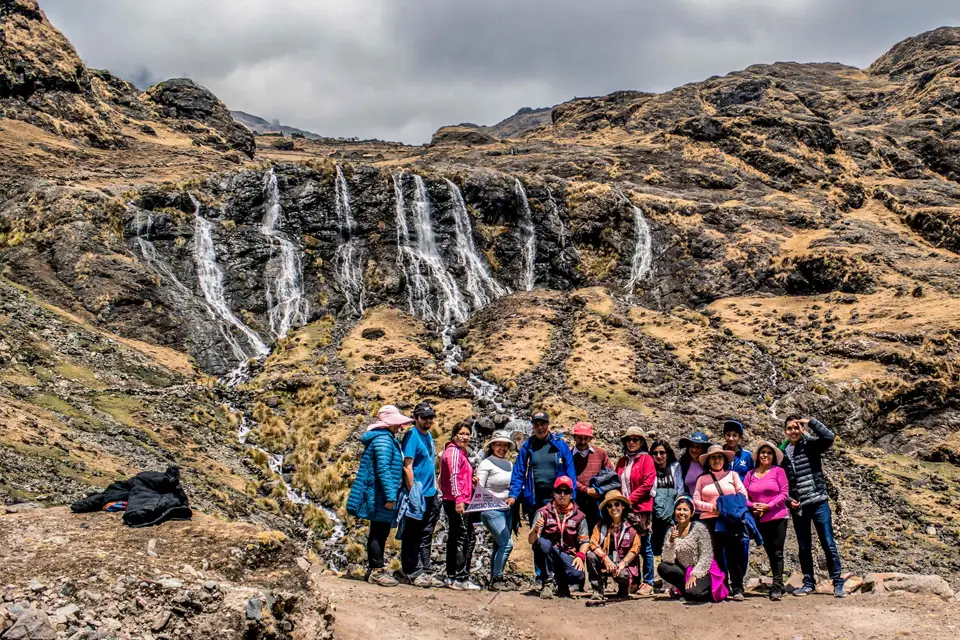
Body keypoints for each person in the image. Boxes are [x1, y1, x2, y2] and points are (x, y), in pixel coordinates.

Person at [346, 405, 412, 587]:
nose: (400, 426)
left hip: (380, 493)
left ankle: (375, 568)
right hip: (381, 495)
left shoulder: (385, 439)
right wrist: (391, 496)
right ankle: (376, 570)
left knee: (380, 530)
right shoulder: (383, 441)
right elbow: (383, 470)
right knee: (379, 531)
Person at [781, 415, 845, 598]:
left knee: (828, 542)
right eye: (789, 428)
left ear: (801, 429)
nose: (793, 431)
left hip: (818, 502)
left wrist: (811, 422)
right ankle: (809, 582)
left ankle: (837, 582)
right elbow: (782, 482)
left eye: (796, 427)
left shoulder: (810, 445)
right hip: (799, 506)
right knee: (803, 546)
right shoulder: (783, 453)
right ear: (785, 431)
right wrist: (788, 500)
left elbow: (829, 437)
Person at [693, 444, 748, 600]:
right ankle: (721, 587)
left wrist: (726, 508)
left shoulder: (733, 475)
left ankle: (737, 587)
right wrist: (712, 508)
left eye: (719, 457)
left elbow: (743, 495)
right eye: (713, 457)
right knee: (715, 555)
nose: (716, 460)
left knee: (733, 553)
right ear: (708, 461)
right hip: (709, 520)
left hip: (729, 519)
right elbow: (696, 501)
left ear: (724, 460)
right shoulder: (702, 479)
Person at [399, 401, 444, 587]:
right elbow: (407, 465)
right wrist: (412, 492)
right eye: (425, 417)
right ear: (416, 418)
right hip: (417, 493)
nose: (429, 421)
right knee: (411, 533)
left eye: (431, 417)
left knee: (424, 533)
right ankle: (410, 570)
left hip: (430, 492)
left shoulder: (429, 437)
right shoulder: (412, 435)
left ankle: (423, 569)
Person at [506, 412, 577, 526]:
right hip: (535, 498)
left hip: (558, 496)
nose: (540, 428)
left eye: (542, 424)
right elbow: (519, 471)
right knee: (536, 532)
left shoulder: (560, 445)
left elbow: (570, 471)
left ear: (548, 424)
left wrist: (573, 495)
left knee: (557, 531)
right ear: (533, 427)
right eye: (536, 425)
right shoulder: (528, 445)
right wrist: (513, 495)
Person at [528, 476, 589, 599]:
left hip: (567, 554)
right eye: (558, 491)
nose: (562, 495)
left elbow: (585, 541)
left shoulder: (579, 516)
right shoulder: (542, 512)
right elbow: (531, 540)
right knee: (543, 543)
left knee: (578, 575)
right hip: (549, 552)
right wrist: (535, 530)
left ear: (571, 494)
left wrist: (580, 555)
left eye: (566, 492)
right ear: (553, 493)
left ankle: (562, 582)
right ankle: (547, 582)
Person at [744, 441, 790, 601]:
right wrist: (752, 505)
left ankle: (777, 586)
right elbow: (743, 496)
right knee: (769, 551)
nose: (765, 455)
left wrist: (768, 506)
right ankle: (779, 583)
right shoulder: (750, 474)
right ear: (758, 455)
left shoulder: (778, 471)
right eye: (763, 452)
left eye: (769, 453)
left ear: (773, 457)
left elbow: (784, 493)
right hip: (759, 518)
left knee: (777, 552)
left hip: (777, 517)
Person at [615, 426, 656, 595]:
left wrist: (629, 500)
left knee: (645, 545)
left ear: (641, 442)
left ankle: (649, 581)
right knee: (629, 544)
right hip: (624, 510)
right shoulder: (622, 461)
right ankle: (633, 579)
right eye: (629, 439)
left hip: (641, 509)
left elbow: (647, 483)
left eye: (635, 439)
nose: (632, 442)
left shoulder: (646, 460)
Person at [439, 421, 480, 590]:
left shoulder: (458, 452)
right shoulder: (454, 452)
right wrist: (459, 499)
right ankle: (461, 578)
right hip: (458, 501)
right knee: (466, 538)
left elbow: (458, 476)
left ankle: (451, 576)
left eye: (467, 434)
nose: (465, 437)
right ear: (454, 434)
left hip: (456, 499)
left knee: (456, 537)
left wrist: (471, 480)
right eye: (461, 433)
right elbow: (454, 477)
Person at [476, 430, 516, 591]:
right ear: (492, 446)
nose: (502, 448)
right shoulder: (486, 464)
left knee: (499, 544)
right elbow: (479, 488)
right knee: (507, 544)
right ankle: (497, 577)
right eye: (499, 444)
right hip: (491, 509)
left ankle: (494, 578)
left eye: (505, 445)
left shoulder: (509, 464)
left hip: (507, 509)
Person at [657, 496, 717, 602]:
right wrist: (670, 541)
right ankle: (685, 590)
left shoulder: (700, 529)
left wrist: (695, 574)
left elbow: (706, 556)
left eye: (685, 510)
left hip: (702, 570)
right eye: (679, 509)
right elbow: (668, 559)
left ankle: (693, 592)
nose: (682, 512)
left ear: (691, 512)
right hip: (684, 570)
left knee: (694, 593)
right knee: (662, 567)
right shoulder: (672, 531)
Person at [586, 489, 640, 601]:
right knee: (591, 555)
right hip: (605, 561)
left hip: (623, 562)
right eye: (610, 506)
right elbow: (592, 543)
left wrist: (622, 564)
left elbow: (636, 548)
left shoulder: (631, 526)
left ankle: (623, 590)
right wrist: (605, 558)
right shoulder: (600, 525)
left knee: (623, 575)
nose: (613, 508)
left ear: (623, 506)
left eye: (616, 504)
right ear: (607, 509)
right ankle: (598, 589)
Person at [722, 420, 754, 577]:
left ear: (740, 437)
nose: (731, 438)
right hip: (722, 505)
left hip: (742, 506)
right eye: (728, 435)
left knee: (743, 541)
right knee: (723, 543)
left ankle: (739, 580)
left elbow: (754, 478)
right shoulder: (719, 455)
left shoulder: (747, 456)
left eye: (735, 435)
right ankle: (724, 579)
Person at [571, 421, 613, 533]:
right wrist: (585, 490)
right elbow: (568, 477)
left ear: (591, 438)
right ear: (574, 437)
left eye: (586, 438)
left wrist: (600, 490)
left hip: (597, 502)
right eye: (580, 438)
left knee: (597, 533)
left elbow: (611, 475)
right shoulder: (569, 455)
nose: (583, 441)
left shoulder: (600, 453)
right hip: (576, 501)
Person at [650, 439, 683, 558]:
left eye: (662, 453)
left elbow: (680, 489)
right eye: (655, 453)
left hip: (672, 512)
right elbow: (651, 492)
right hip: (655, 514)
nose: (658, 456)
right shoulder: (650, 468)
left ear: (667, 453)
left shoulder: (675, 467)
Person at [678, 431, 711, 495]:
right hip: (689, 501)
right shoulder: (684, 464)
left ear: (703, 449)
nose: (694, 450)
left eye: (698, 447)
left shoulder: (710, 464)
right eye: (692, 446)